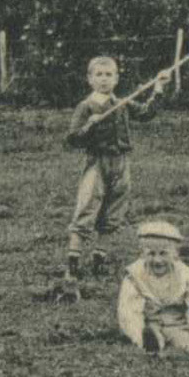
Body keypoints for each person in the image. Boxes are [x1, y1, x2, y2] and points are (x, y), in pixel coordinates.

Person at [62, 55, 157, 287]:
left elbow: (146, 113)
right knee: (87, 206)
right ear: (90, 79)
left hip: (121, 162)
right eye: (99, 75)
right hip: (98, 163)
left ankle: (99, 258)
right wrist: (89, 125)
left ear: (116, 79)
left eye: (108, 75)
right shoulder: (86, 106)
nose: (104, 80)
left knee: (114, 210)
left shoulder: (122, 103)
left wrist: (159, 88)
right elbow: (72, 140)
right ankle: (72, 264)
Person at [117, 219, 189, 356]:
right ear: (142, 253)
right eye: (151, 254)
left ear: (175, 254)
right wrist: (136, 333)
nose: (157, 260)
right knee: (150, 336)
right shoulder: (135, 276)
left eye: (163, 253)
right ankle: (150, 344)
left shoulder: (186, 276)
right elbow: (129, 311)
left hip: (176, 323)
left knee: (184, 340)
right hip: (149, 322)